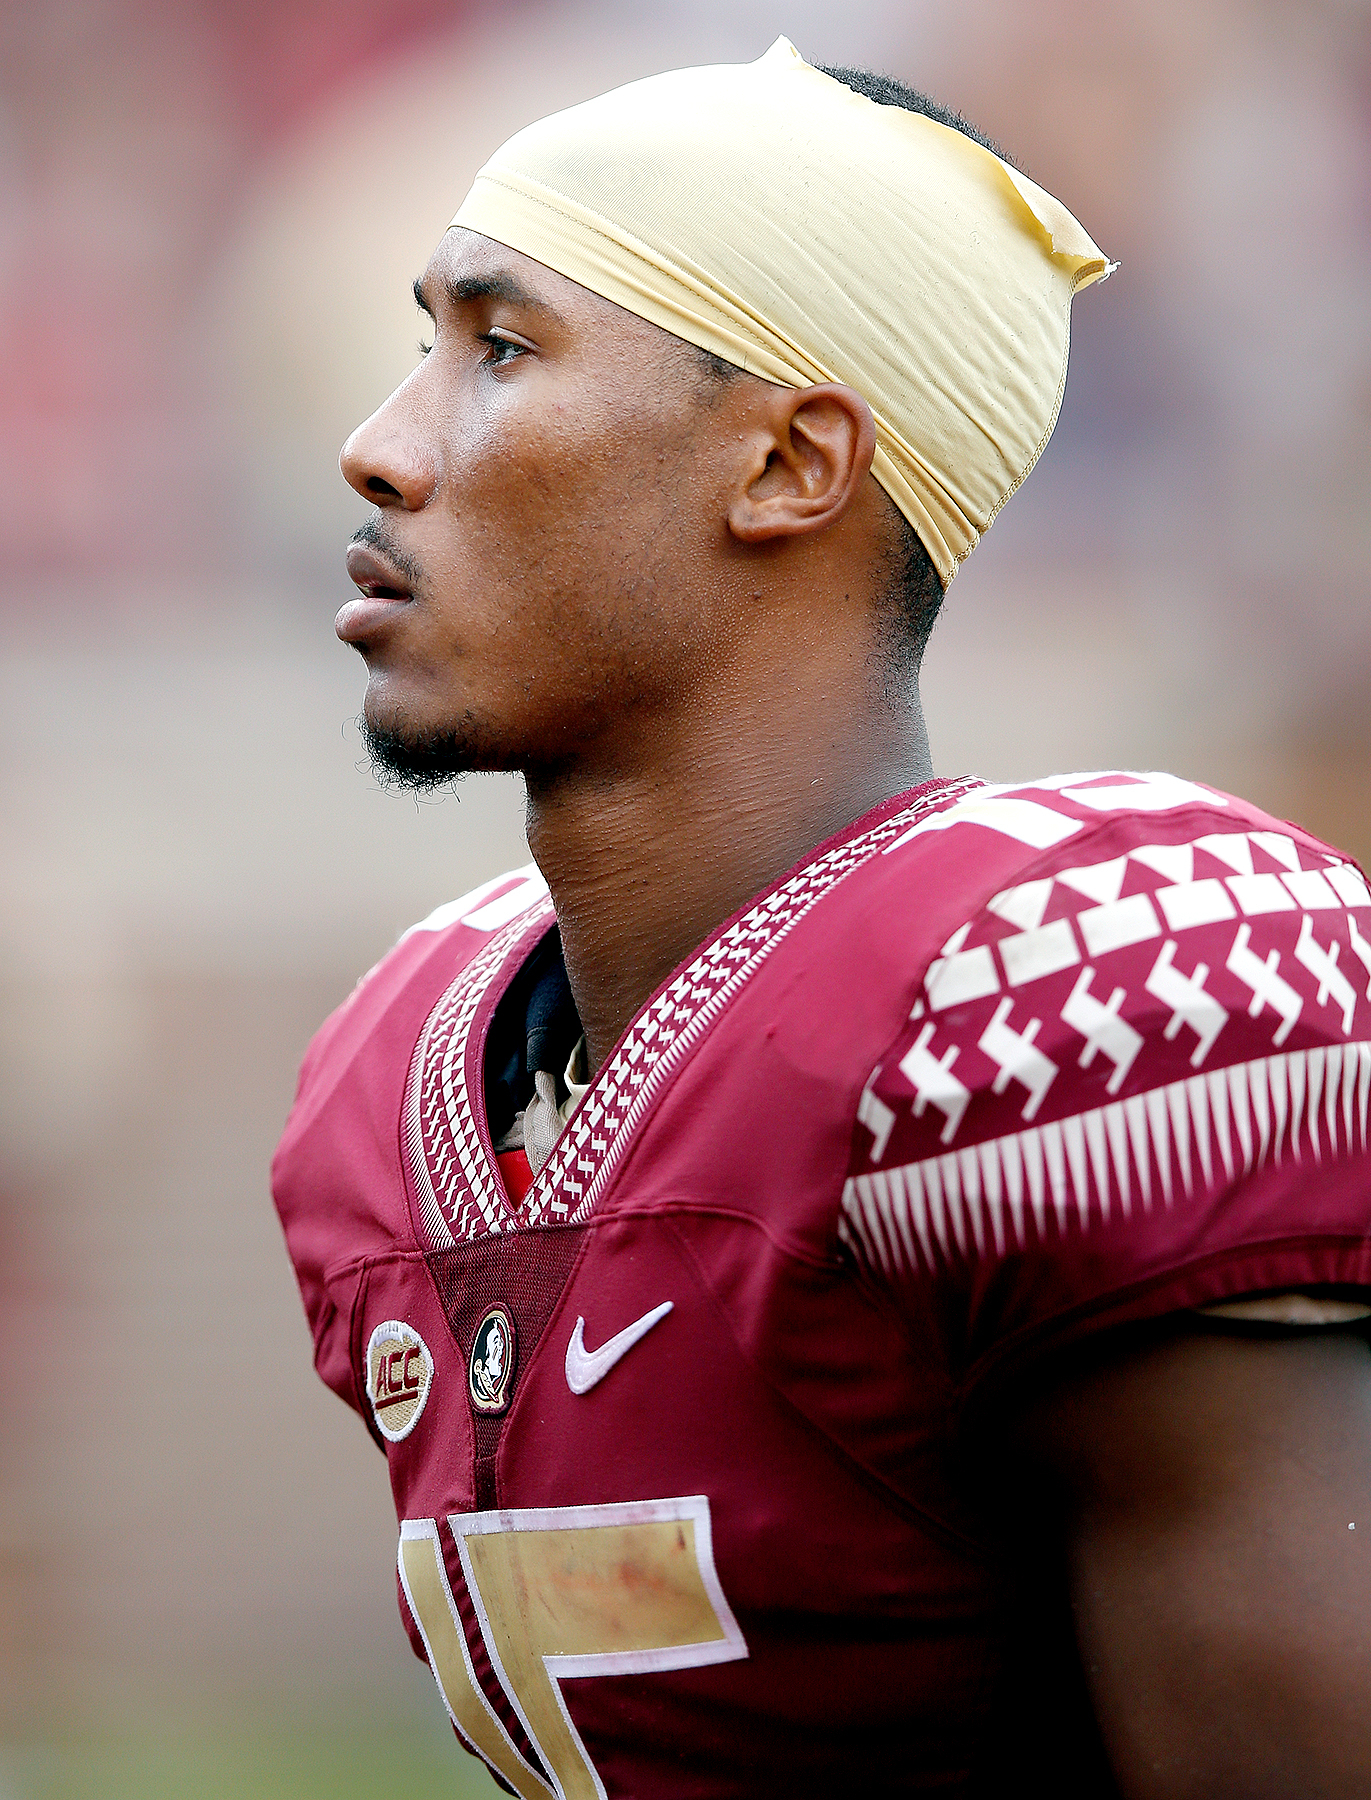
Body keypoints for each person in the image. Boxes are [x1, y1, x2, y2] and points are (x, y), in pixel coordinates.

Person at [272, 41, 1371, 1797]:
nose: (382, 445)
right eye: (423, 341)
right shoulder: (402, 1072)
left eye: (499, 347)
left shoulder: (1070, 1003)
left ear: (789, 462)